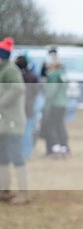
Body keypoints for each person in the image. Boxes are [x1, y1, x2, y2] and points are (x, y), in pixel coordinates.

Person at [0, 38, 30, 204]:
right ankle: (4, 190)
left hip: (13, 122)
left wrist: (1, 103)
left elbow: (18, 88)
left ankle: (24, 194)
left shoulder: (10, 70)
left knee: (17, 157)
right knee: (2, 157)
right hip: (4, 123)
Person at [41, 47, 69, 158]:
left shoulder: (53, 75)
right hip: (63, 103)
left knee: (51, 126)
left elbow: (50, 93)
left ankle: (56, 149)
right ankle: (64, 148)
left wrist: (46, 108)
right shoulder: (62, 73)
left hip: (54, 105)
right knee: (60, 126)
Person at [14, 54, 42, 161]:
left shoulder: (18, 77)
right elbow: (37, 91)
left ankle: (24, 153)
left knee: (24, 132)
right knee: (28, 132)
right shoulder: (33, 76)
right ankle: (27, 153)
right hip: (30, 107)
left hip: (22, 108)